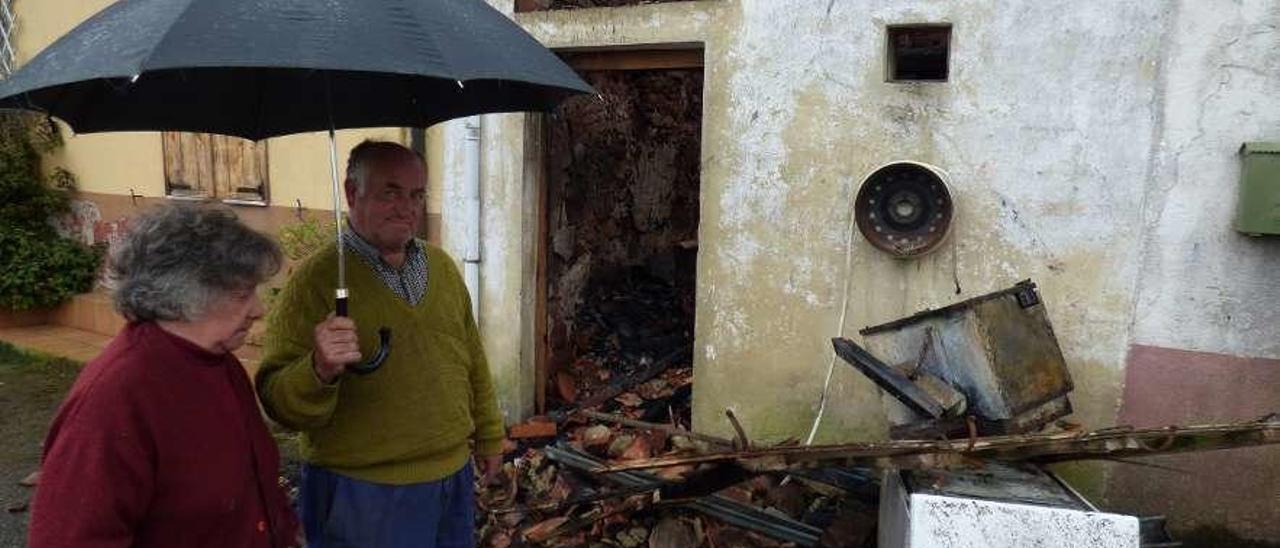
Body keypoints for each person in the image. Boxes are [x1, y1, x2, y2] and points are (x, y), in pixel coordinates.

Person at [256, 140, 505, 547]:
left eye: (416, 195)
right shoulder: (317, 281)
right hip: (363, 492)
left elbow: (471, 359)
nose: (406, 207)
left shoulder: (441, 267)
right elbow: (277, 400)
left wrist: (490, 435)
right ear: (352, 194)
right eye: (390, 192)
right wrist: (318, 368)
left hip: (451, 480)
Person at [28, 204, 299, 548]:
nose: (259, 309)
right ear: (187, 294)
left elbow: (255, 487)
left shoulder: (217, 361)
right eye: (243, 294)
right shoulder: (116, 397)